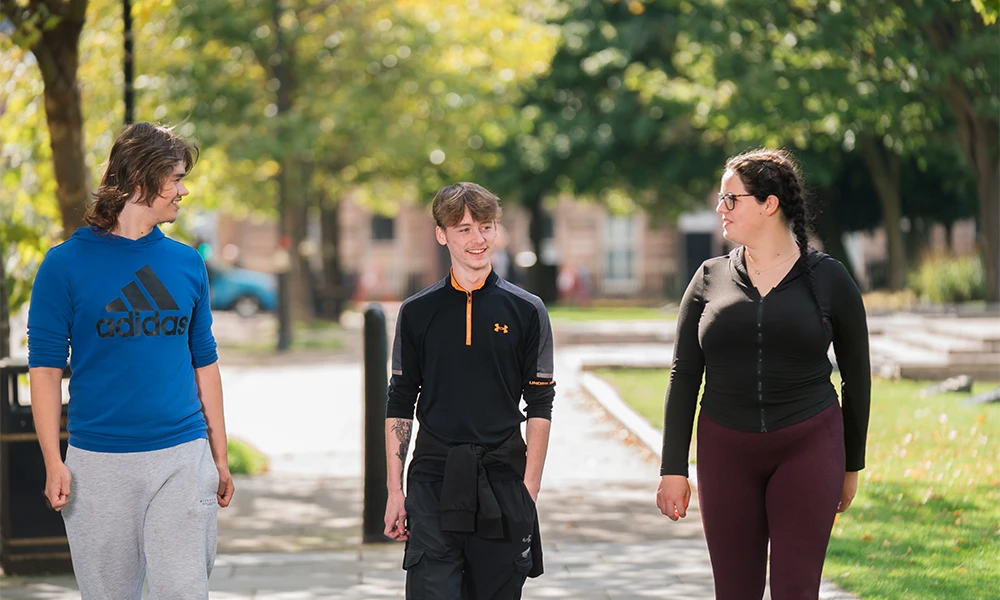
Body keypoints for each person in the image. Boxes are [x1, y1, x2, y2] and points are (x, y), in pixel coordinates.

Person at [27, 122, 234, 599]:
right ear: (140, 181)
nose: (184, 190)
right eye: (176, 179)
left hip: (181, 456)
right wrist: (52, 460)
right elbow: (45, 369)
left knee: (182, 591)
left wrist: (218, 456)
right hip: (97, 464)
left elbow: (205, 363)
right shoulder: (64, 265)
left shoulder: (186, 263)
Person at [655, 149, 871, 599]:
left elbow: (857, 377)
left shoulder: (829, 278)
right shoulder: (708, 277)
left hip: (809, 443)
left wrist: (851, 465)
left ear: (768, 204)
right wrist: (672, 467)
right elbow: (683, 375)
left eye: (731, 199)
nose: (720, 209)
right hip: (725, 449)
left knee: (795, 590)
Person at [383, 182, 556, 599]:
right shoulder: (417, 311)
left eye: (485, 226)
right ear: (441, 234)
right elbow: (400, 400)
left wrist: (529, 490)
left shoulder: (527, 310)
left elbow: (540, 403)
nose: (477, 239)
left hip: (502, 476)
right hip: (433, 476)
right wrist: (395, 491)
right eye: (463, 229)